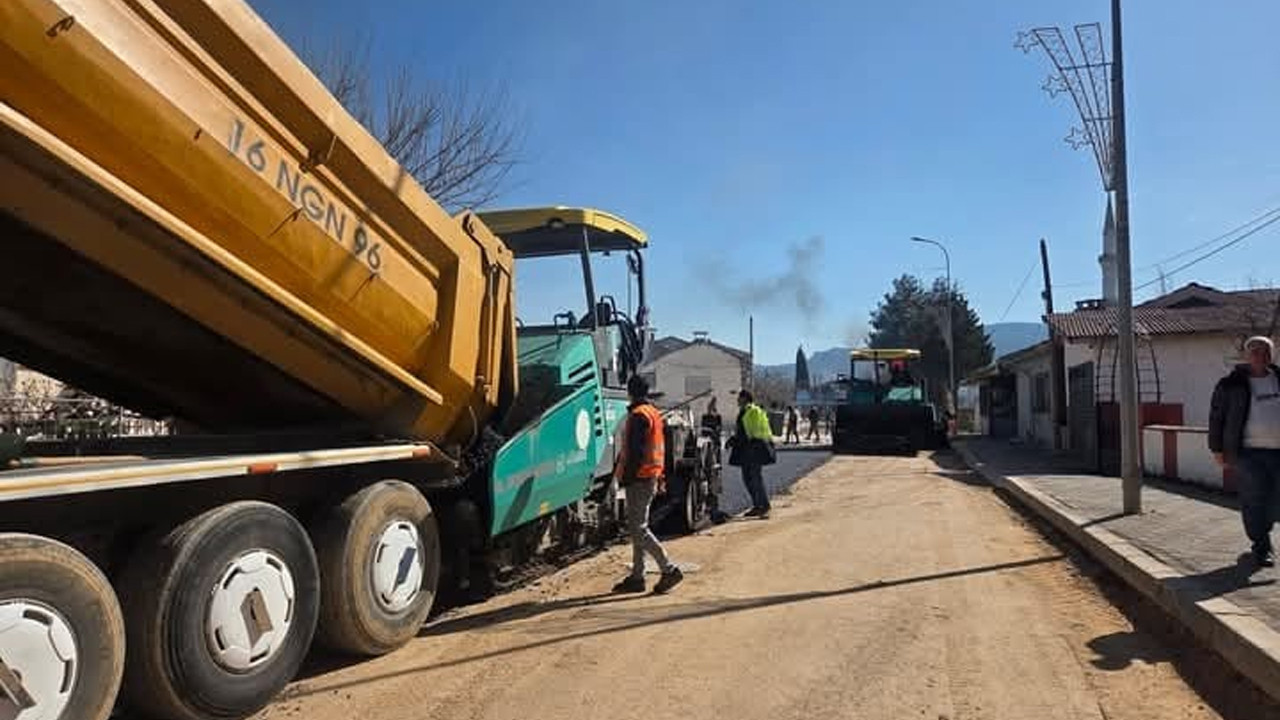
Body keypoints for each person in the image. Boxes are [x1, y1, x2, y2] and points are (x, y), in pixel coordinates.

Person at [1210, 335, 1280, 568]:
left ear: (1272, 355)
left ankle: (1263, 530)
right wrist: (1217, 449)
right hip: (1247, 452)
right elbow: (1217, 418)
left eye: (1266, 351)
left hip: (1277, 451)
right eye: (1256, 351)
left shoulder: (1279, 379)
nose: (1261, 355)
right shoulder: (1230, 384)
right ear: (1247, 356)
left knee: (1273, 498)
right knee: (1254, 498)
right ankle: (1262, 546)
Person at [612, 374, 684, 593]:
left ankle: (668, 569)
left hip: (640, 478)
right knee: (638, 528)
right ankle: (637, 577)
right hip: (650, 475)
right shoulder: (652, 412)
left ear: (629, 391)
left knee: (638, 528)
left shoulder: (638, 415)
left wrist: (626, 477)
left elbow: (636, 452)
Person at [728, 389, 776, 518]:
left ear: (745, 398)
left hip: (755, 448)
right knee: (747, 479)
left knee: (755, 478)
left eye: (739, 397)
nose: (737, 399)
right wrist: (733, 440)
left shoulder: (753, 411)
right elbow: (742, 431)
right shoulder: (743, 411)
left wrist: (739, 441)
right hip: (746, 449)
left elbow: (753, 432)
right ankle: (757, 505)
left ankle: (764, 506)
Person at [700, 397, 730, 525]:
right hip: (709, 452)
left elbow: (717, 432)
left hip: (714, 451)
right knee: (711, 478)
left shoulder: (717, 419)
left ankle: (713, 508)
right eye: (712, 406)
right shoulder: (706, 419)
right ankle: (710, 508)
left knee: (715, 479)